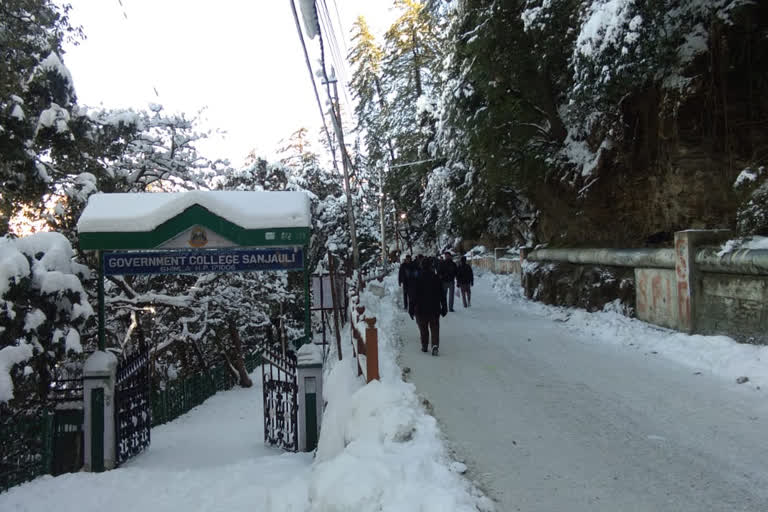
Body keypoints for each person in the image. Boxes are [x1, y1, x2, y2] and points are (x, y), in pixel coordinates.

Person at [409, 257, 447, 356]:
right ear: (431, 266)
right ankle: (434, 345)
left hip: (420, 309)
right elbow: (442, 294)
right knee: (434, 327)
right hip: (434, 308)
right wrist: (444, 306)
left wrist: (411, 309)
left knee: (423, 328)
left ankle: (425, 345)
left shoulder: (417, 278)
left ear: (421, 266)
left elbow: (413, 295)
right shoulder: (436, 278)